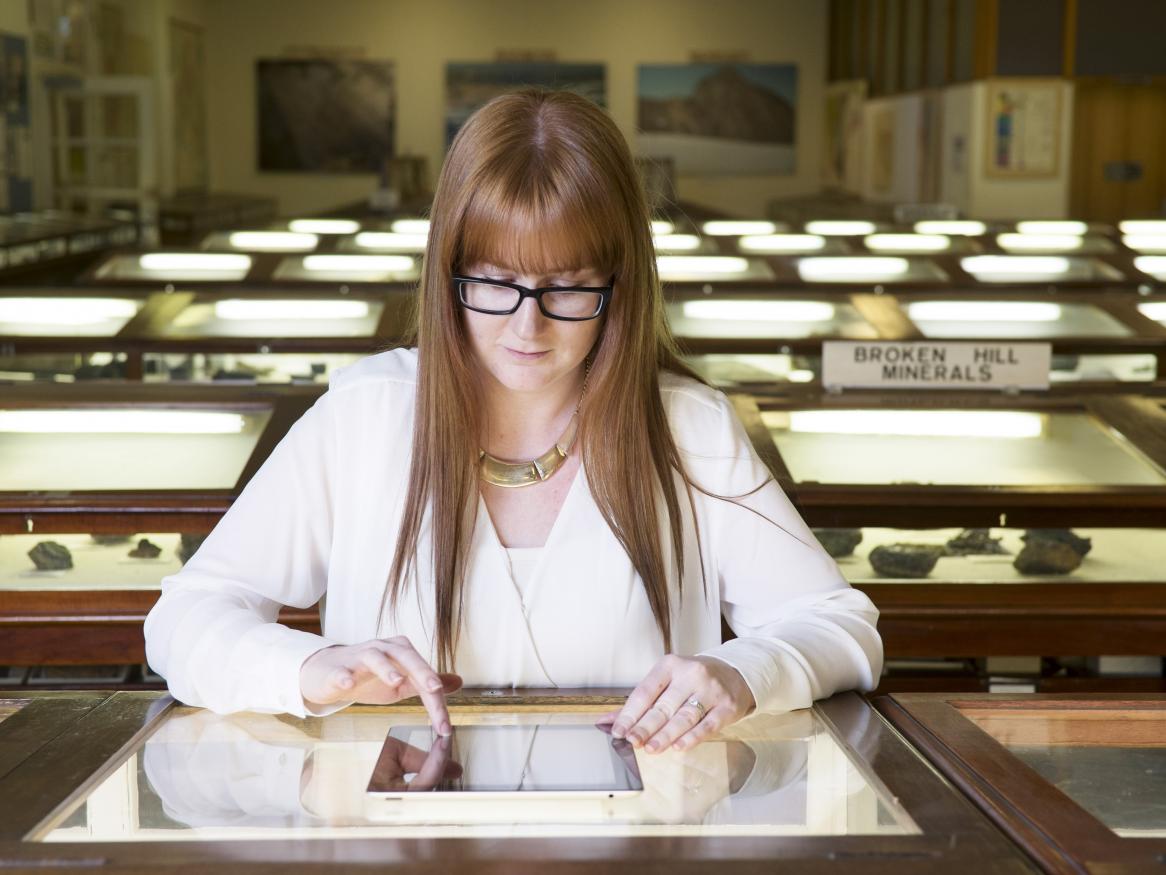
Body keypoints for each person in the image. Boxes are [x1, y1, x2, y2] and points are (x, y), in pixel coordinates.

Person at [144, 89, 882, 758]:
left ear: (620, 284)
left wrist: (742, 672)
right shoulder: (365, 414)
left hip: (632, 839)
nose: (528, 326)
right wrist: (309, 668)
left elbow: (839, 624)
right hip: (404, 838)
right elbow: (184, 618)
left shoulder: (689, 428)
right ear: (448, 274)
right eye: (495, 283)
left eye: (568, 288)